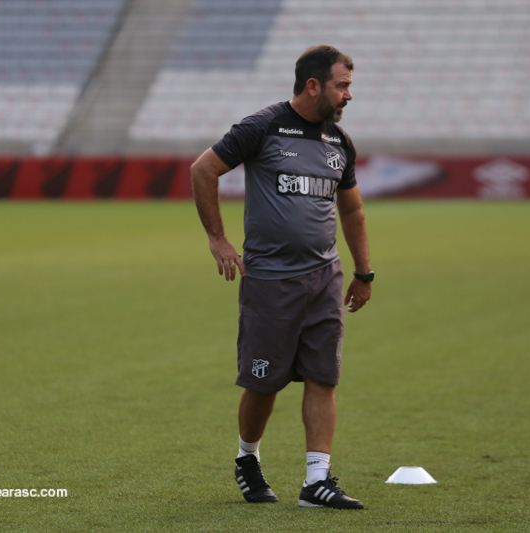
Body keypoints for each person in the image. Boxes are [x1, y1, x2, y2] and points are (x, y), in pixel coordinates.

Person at [190, 44, 374, 510]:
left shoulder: (340, 143)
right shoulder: (263, 126)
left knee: (322, 375)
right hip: (270, 279)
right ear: (313, 85)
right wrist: (218, 239)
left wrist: (363, 271)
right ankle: (247, 458)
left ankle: (317, 480)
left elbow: (351, 210)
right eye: (342, 85)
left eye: (349, 86)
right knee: (263, 383)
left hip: (325, 277)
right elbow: (203, 169)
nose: (349, 95)